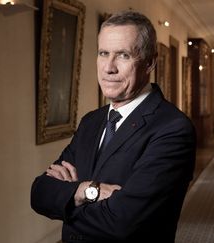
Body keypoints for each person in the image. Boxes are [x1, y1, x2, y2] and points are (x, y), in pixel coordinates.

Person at [31, 10, 196, 242]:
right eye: (103, 53)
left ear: (149, 62)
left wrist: (68, 198)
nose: (109, 67)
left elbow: (122, 221)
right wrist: (90, 190)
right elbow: (39, 193)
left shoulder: (173, 129)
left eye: (123, 55)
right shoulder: (92, 121)